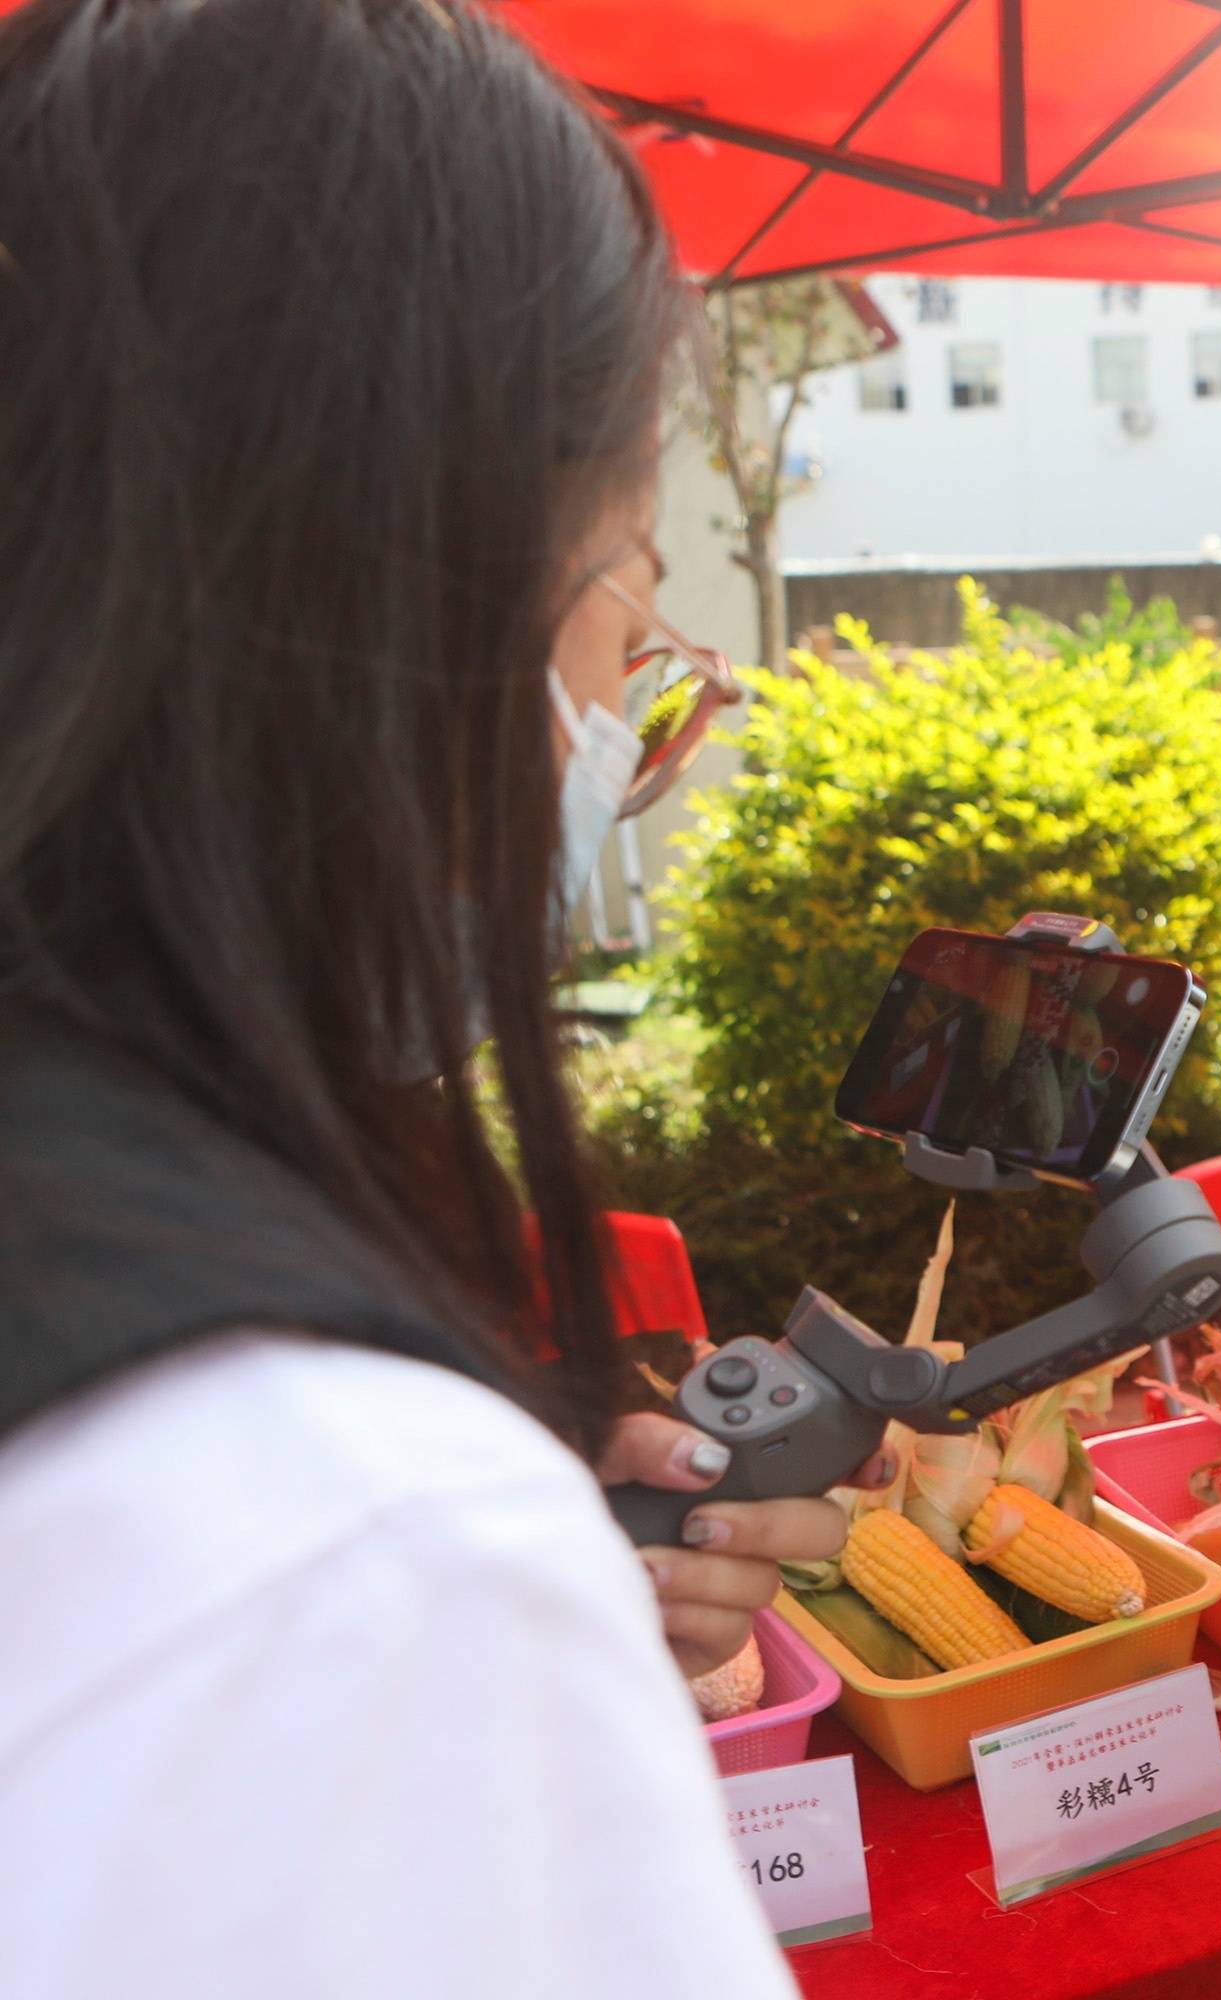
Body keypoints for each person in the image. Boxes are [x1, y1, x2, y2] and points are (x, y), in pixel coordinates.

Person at [0, 3, 883, 1992]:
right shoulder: (345, 1547)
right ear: (408, 579)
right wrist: (481, 1592)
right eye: (626, 597)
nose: (627, 720)